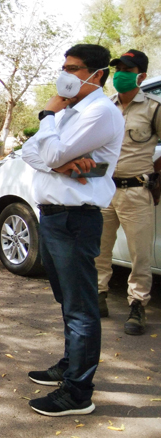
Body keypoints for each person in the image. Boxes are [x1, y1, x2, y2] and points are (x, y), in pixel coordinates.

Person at [21, 44, 124, 417]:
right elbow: (29, 151)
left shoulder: (99, 113)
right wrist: (63, 165)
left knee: (81, 307)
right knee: (67, 300)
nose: (65, 74)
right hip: (52, 216)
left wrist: (47, 114)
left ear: (97, 75)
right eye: (64, 66)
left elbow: (46, 154)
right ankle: (69, 365)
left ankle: (79, 392)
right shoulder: (71, 113)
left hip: (75, 220)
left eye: (74, 68)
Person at [95, 49, 160, 335]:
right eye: (118, 68)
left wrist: (157, 177)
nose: (120, 74)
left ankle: (137, 306)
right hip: (106, 189)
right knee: (99, 249)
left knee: (140, 254)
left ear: (141, 76)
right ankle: (98, 296)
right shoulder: (106, 107)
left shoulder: (154, 109)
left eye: (127, 69)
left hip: (137, 191)